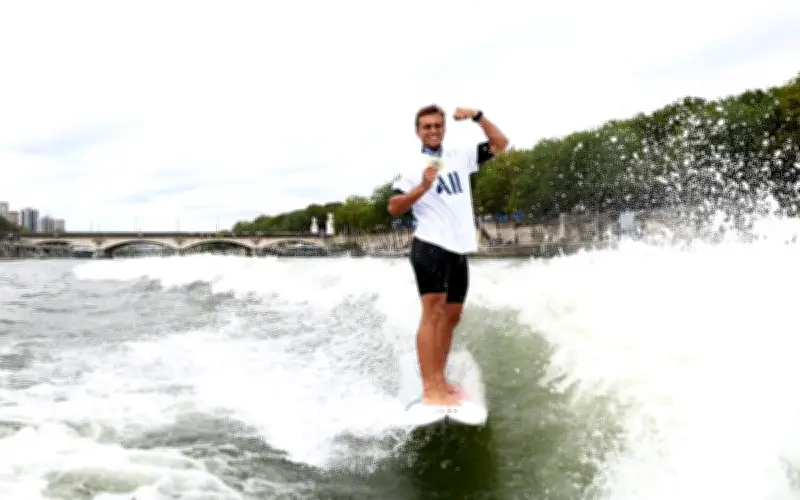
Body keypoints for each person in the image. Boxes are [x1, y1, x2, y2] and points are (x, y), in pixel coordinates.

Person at [387, 104, 509, 406]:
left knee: (451, 316)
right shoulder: (411, 164)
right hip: (430, 246)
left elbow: (501, 144)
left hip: (458, 249)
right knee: (433, 313)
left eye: (437, 126)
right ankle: (431, 388)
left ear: (444, 128)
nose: (432, 131)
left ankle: (440, 379)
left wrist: (478, 117)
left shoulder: (460, 156)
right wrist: (423, 187)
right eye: (426, 126)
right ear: (418, 131)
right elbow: (394, 207)